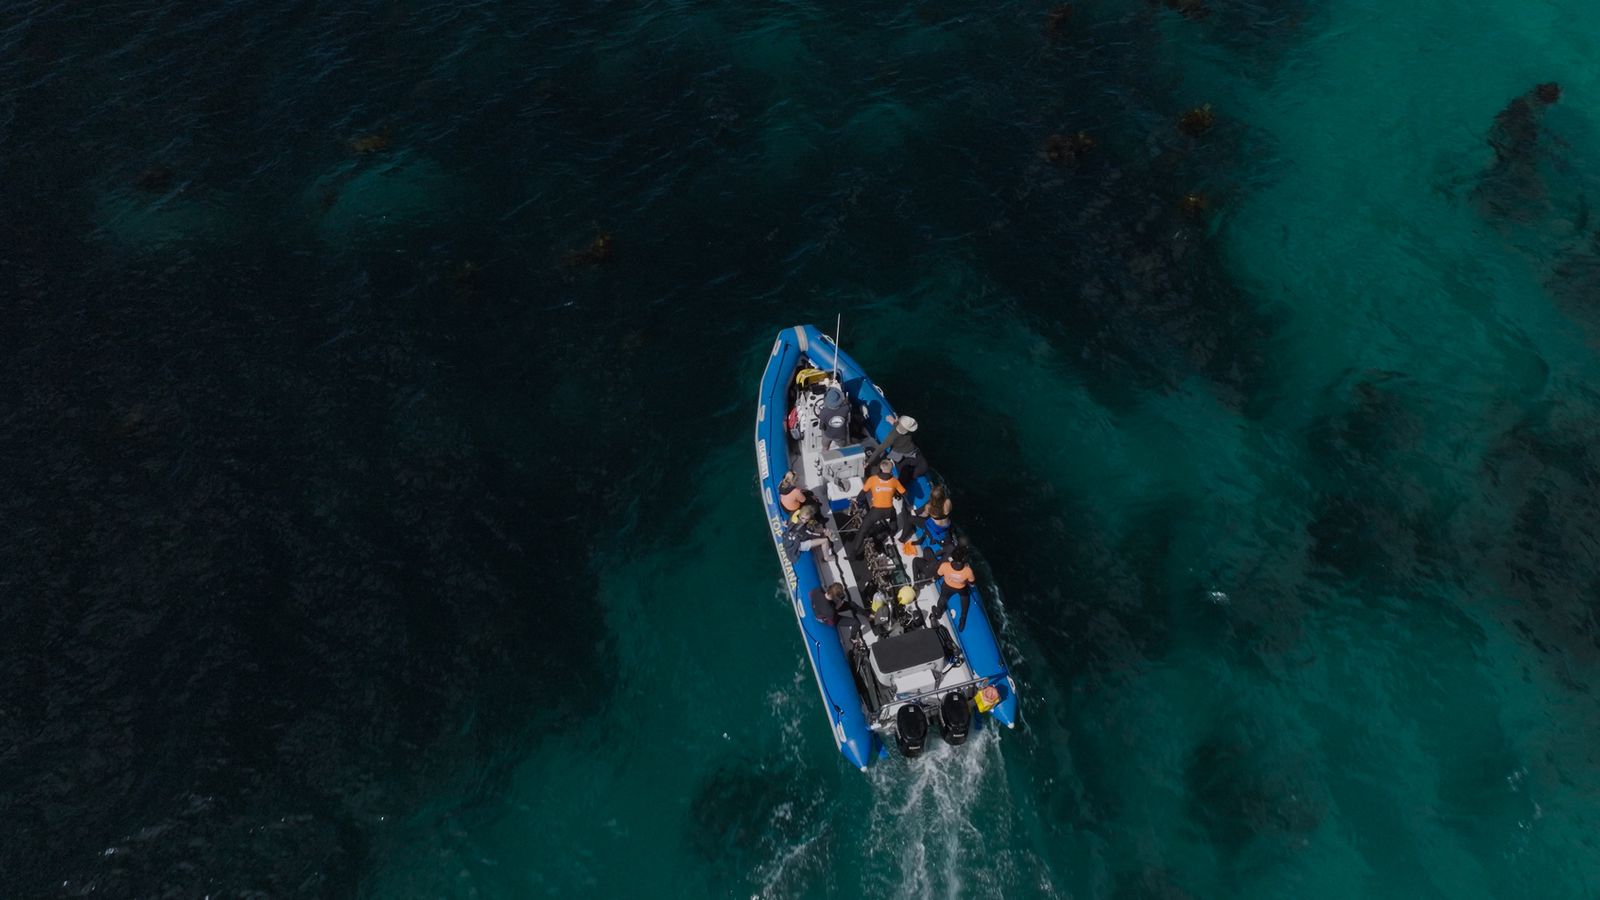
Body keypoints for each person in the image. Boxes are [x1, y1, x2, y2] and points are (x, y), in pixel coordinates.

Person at [847, 458, 906, 559]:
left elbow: (862, 494)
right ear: (891, 470)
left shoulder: (872, 479)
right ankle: (892, 531)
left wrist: (858, 501)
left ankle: (853, 554)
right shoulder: (895, 481)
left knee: (862, 531)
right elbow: (904, 493)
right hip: (889, 511)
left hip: (876, 512)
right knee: (894, 515)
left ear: (880, 468)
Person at [864, 414, 926, 498]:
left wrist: (894, 422)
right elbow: (880, 448)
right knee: (902, 479)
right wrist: (868, 462)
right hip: (900, 457)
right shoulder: (893, 436)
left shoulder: (899, 426)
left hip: (913, 453)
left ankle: (910, 473)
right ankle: (896, 491)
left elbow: (898, 425)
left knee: (924, 467)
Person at [932, 545, 977, 632]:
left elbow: (937, 575)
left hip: (947, 586)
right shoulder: (968, 571)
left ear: (952, 557)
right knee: (965, 596)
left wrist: (933, 578)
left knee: (943, 597)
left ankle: (938, 612)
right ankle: (963, 618)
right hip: (960, 588)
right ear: (963, 559)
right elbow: (972, 584)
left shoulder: (944, 565)